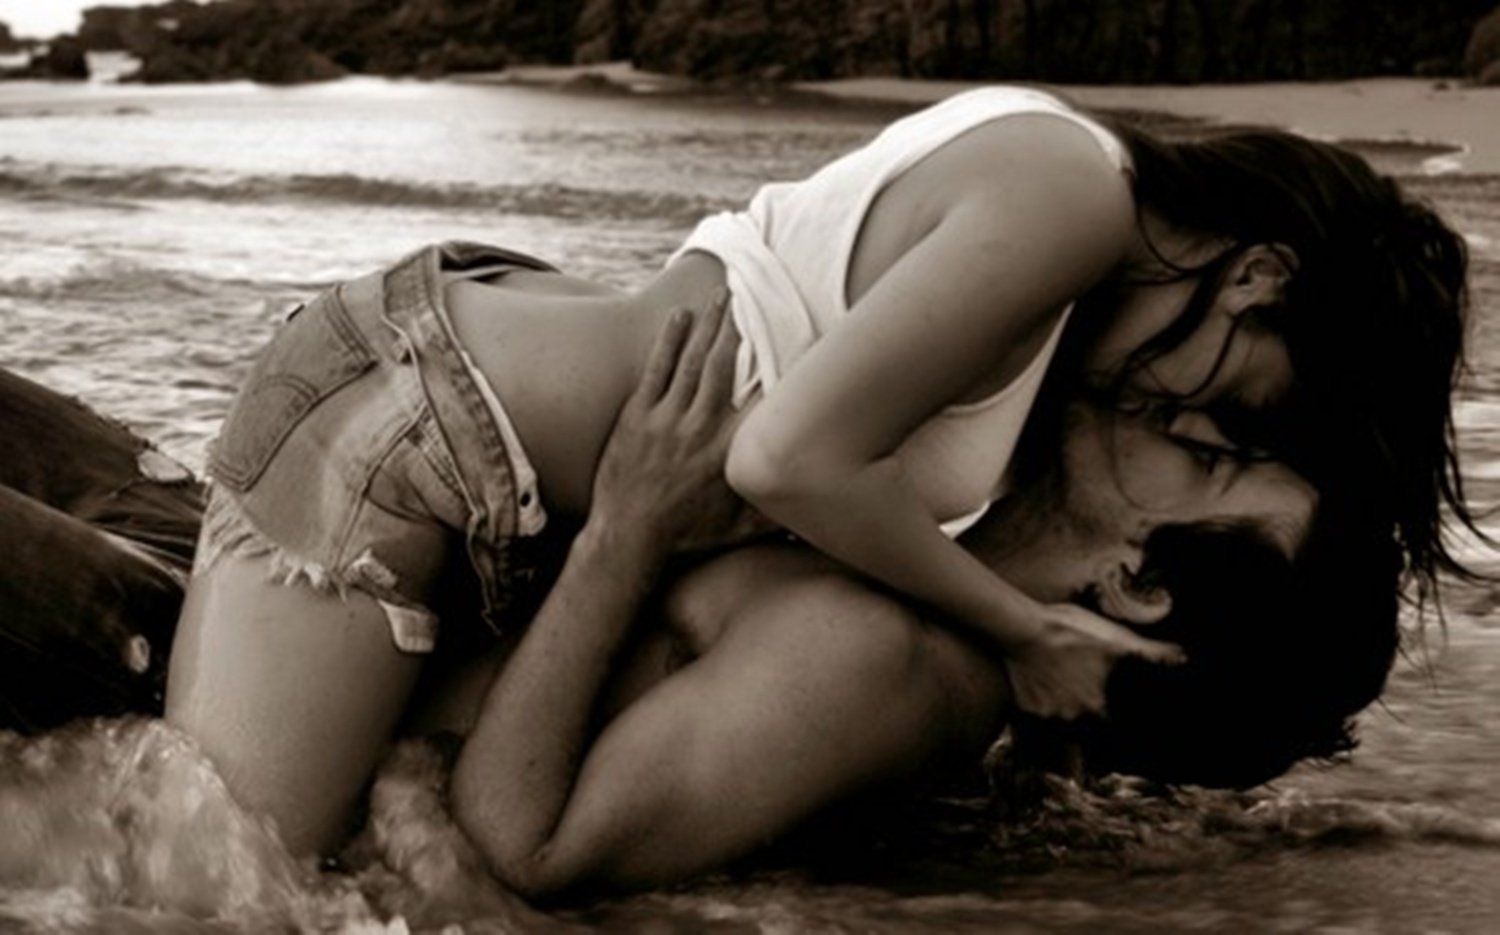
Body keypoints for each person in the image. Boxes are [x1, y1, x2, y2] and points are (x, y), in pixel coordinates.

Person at [165, 85, 1473, 859]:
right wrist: (1024, 631)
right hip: (420, 426)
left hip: (490, 422)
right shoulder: (1073, 202)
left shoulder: (1076, 300)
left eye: (1220, 446)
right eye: (1235, 415)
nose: (1189, 416)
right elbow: (783, 457)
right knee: (220, 880)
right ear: (1258, 277)